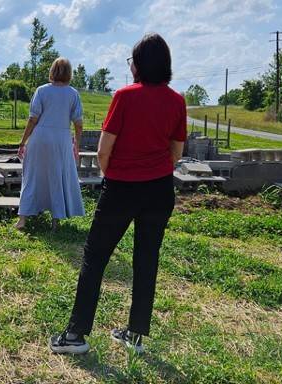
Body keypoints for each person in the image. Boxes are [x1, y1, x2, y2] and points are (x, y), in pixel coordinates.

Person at [49, 33, 186, 355]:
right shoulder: (177, 100)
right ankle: (135, 335)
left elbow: (103, 149)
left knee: (95, 258)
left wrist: (113, 176)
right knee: (146, 260)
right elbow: (176, 152)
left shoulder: (125, 96)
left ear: (137, 65)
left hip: (123, 186)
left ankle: (76, 335)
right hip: (160, 189)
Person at [15, 57, 85, 230]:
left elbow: (33, 118)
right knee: (57, 177)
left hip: (40, 137)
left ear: (52, 71)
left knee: (31, 176)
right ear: (69, 73)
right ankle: (55, 219)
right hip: (61, 139)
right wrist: (77, 143)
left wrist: (23, 142)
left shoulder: (41, 91)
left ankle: (22, 219)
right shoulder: (73, 94)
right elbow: (78, 122)